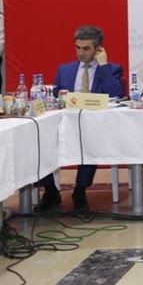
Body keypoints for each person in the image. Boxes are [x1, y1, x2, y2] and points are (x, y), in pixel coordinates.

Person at [35, 25, 124, 212]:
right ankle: (50, 190)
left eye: (86, 48)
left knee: (89, 142)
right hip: (65, 123)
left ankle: (80, 191)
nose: (81, 53)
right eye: (77, 47)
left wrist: (103, 66)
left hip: (94, 125)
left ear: (98, 49)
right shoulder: (65, 70)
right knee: (38, 141)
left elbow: (116, 94)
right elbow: (56, 97)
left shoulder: (111, 69)